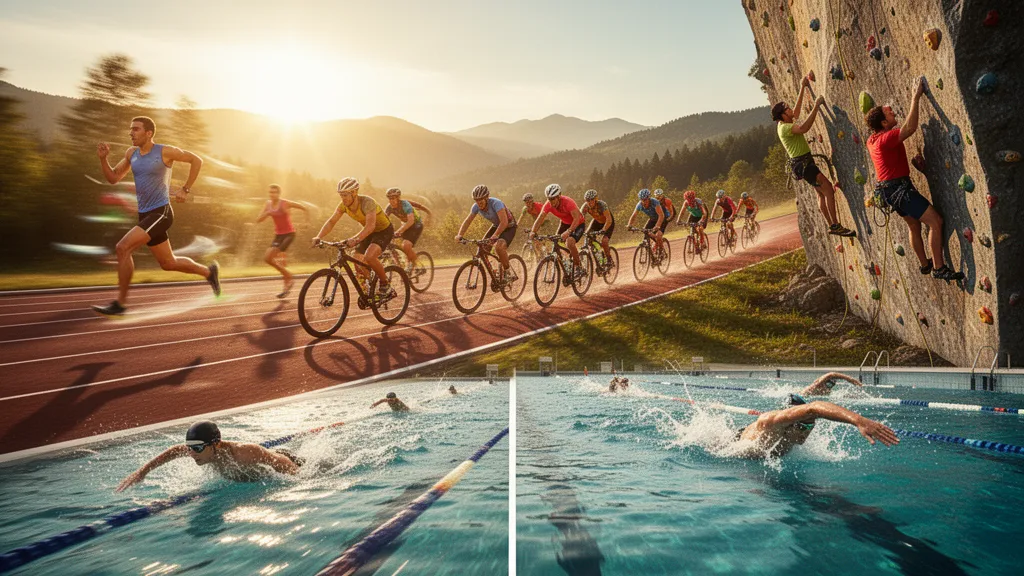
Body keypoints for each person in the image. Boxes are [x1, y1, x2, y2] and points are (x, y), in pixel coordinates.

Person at [92, 116, 220, 316]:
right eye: (130, 129)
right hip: (145, 215)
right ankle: (208, 272)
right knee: (168, 263)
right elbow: (113, 178)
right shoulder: (131, 153)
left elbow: (197, 160)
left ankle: (120, 303)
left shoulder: (164, 152)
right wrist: (103, 159)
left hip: (161, 212)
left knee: (122, 248)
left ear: (148, 133)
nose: (131, 133)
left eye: (136, 129)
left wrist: (185, 189)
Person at [865, 77, 965, 281]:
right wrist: (915, 97)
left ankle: (925, 264)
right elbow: (909, 129)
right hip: (899, 190)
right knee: (935, 221)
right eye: (889, 113)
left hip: (889, 191)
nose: (893, 111)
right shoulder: (885, 138)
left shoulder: (872, 139)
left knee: (914, 226)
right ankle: (938, 267)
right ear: (884, 123)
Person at [771, 75, 856, 237]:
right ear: (782, 115)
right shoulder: (784, 128)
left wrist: (803, 88)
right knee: (828, 190)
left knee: (821, 193)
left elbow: (795, 112)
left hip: (802, 163)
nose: (790, 110)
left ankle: (832, 225)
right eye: (787, 109)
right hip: (804, 164)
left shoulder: (784, 123)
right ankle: (835, 225)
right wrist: (816, 106)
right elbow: (803, 128)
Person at [115, 421, 302, 491]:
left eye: (196, 448)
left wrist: (299, 480)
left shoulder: (245, 452)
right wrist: (142, 472)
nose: (190, 453)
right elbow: (172, 451)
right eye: (189, 448)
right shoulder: (200, 451)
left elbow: (281, 462)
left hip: (291, 461)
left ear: (216, 445)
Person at [733, 394, 899, 459]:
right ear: (790, 424)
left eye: (810, 427)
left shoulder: (792, 431)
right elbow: (814, 407)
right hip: (733, 444)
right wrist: (859, 421)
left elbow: (816, 412)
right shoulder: (770, 423)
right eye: (804, 427)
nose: (807, 433)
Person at [312, 177, 396, 299]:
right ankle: (369, 289)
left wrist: (355, 239)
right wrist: (319, 236)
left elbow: (370, 226)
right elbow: (331, 222)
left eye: (345, 195)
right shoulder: (343, 206)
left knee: (369, 256)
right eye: (341, 195)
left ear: (354, 192)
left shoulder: (368, 203)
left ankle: (385, 285)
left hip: (384, 231)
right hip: (369, 232)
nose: (343, 198)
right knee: (357, 259)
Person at [455, 184, 518, 282]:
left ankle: (507, 272)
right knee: (482, 247)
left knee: (499, 247)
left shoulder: (496, 203)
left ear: (487, 198)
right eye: (476, 200)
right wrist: (460, 235)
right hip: (497, 225)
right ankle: (495, 270)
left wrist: (495, 235)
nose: (478, 202)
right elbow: (468, 221)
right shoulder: (476, 207)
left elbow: (504, 222)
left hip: (509, 226)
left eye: (481, 199)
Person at [255, 184, 308, 297]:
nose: (272, 194)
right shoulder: (268, 204)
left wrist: (306, 222)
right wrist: (267, 213)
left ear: (279, 194)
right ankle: (288, 277)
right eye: (270, 192)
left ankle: (287, 284)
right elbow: (258, 219)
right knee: (268, 259)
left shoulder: (285, 203)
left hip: (289, 234)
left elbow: (303, 207)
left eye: (274, 192)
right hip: (278, 236)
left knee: (279, 259)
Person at [529, 184, 586, 278]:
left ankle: (579, 267)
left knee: (570, 242)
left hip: (578, 223)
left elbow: (576, 218)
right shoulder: (548, 204)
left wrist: (568, 231)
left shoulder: (568, 202)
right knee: (555, 243)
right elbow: (540, 219)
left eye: (553, 199)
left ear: (559, 196)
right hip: (564, 223)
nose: (550, 201)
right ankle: (566, 264)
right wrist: (533, 231)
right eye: (549, 198)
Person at [384, 187, 432, 273]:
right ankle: (401, 267)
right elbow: (383, 220)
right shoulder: (389, 207)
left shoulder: (405, 204)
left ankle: (418, 266)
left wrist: (399, 231)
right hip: (405, 225)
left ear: (398, 198)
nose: (391, 200)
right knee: (391, 244)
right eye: (390, 198)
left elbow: (411, 221)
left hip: (416, 225)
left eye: (394, 198)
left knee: (406, 245)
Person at [627, 188, 666, 254]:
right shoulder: (639, 205)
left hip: (661, 219)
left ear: (649, 198)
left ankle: (662, 251)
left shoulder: (654, 202)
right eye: (642, 200)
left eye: (645, 200)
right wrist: (629, 225)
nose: (643, 201)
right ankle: (651, 255)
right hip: (652, 219)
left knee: (658, 235)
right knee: (645, 232)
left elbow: (661, 215)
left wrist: (657, 225)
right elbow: (634, 215)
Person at [580, 189, 615, 262]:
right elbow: (580, 219)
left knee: (604, 241)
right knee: (588, 236)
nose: (589, 202)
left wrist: (604, 230)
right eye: (587, 200)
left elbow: (609, 219)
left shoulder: (602, 205)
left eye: (591, 200)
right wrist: (579, 229)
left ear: (595, 199)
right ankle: (598, 254)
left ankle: (609, 259)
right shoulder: (585, 207)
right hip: (596, 222)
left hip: (608, 222)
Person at [520, 192, 546, 261]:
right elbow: (521, 218)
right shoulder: (525, 209)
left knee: (542, 240)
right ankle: (537, 255)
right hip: (537, 223)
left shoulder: (538, 206)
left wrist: (537, 228)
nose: (528, 204)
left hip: (545, 223)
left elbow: (544, 216)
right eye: (526, 202)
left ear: (532, 201)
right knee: (534, 239)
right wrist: (516, 226)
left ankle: (546, 253)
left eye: (529, 202)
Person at [799, 372, 864, 396]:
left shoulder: (827, 391)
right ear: (823, 382)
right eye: (828, 385)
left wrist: (852, 380)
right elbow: (831, 374)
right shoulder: (815, 386)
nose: (828, 388)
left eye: (831, 386)